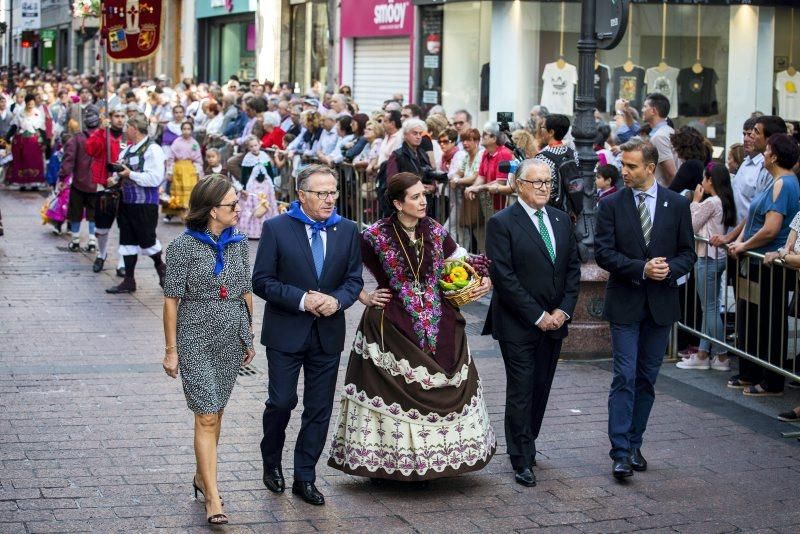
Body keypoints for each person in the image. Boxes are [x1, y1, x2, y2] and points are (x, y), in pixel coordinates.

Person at [327, 172, 496, 483]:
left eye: (424, 195)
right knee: (395, 391)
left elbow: (461, 259)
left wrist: (481, 276)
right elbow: (342, 270)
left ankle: (443, 460)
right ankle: (397, 461)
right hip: (392, 323)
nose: (423, 201)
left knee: (447, 380)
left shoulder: (434, 230)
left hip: (441, 319)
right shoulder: (374, 236)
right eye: (416, 197)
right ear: (397, 203)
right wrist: (365, 296)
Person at [252, 164, 363, 506]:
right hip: (286, 332)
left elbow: (354, 281)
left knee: (319, 408)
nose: (330, 199)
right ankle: (271, 461)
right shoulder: (276, 228)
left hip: (327, 334)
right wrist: (302, 299)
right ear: (302, 195)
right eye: (321, 193)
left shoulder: (347, 230)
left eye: (333, 192)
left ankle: (305, 475)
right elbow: (262, 281)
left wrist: (338, 300)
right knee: (281, 402)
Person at [594, 138, 696, 480]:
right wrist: (641, 268)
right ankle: (620, 451)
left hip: (661, 305)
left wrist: (670, 269)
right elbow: (603, 253)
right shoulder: (610, 204)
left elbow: (688, 253)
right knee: (624, 375)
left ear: (650, 168)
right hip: (625, 301)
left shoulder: (676, 205)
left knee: (647, 378)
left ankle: (635, 443)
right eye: (623, 164)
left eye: (631, 166)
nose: (624, 171)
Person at [162, 176, 255, 526]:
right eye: (233, 205)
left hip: (231, 333)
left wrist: (248, 333)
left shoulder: (239, 244)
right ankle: (213, 498)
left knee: (217, 410)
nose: (238, 210)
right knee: (206, 415)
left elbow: (245, 289)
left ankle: (203, 476)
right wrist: (171, 350)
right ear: (213, 210)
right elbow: (171, 300)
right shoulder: (182, 247)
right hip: (195, 334)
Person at [484, 159, 581, 487]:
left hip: (555, 321)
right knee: (522, 388)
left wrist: (562, 312)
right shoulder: (502, 223)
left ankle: (529, 439)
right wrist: (538, 316)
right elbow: (504, 277)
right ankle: (520, 456)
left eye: (547, 182)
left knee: (541, 386)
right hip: (518, 322)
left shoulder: (560, 219)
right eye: (536, 182)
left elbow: (572, 268)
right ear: (518, 185)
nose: (543, 187)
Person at [728, 132, 800, 396]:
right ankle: (755, 372)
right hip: (760, 261)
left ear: (775, 155)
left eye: (768, 149)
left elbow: (771, 229)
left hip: (771, 264)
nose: (764, 154)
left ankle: (772, 380)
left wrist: (744, 245)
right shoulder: (775, 181)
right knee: (756, 320)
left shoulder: (785, 184)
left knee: (770, 322)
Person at [676, 163, 737, 371]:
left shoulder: (711, 202)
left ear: (711, 180)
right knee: (709, 307)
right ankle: (703, 354)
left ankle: (720, 356)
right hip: (716, 258)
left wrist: (694, 202)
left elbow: (691, 225)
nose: (701, 182)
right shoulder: (725, 201)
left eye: (704, 178)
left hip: (707, 257)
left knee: (709, 308)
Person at [106, 112, 167, 294]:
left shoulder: (152, 150)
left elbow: (155, 178)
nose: (125, 130)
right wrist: (115, 178)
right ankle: (129, 280)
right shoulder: (127, 149)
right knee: (127, 240)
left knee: (147, 240)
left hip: (145, 204)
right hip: (126, 203)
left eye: (127, 127)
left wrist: (129, 174)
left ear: (133, 128)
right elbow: (121, 171)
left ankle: (161, 268)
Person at [85, 104, 126, 275]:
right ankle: (101, 255)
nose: (120, 119)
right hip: (104, 185)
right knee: (102, 227)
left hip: (124, 187)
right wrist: (101, 131)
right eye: (117, 116)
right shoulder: (103, 134)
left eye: (123, 116)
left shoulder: (129, 137)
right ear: (110, 117)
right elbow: (91, 149)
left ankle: (122, 262)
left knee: (125, 227)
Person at [60, 105, 100, 252]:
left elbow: (68, 160)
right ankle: (92, 241)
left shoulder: (76, 139)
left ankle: (75, 240)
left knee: (75, 212)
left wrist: (63, 178)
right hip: (97, 184)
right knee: (93, 214)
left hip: (79, 182)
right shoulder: (105, 138)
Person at [163, 121, 204, 221]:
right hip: (178, 168)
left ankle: (188, 213)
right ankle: (171, 213)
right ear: (181, 130)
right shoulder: (177, 142)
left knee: (190, 191)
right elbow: (171, 157)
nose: (186, 131)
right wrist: (170, 170)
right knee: (176, 191)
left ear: (191, 130)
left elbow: (198, 158)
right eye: (184, 129)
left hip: (190, 169)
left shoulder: (194, 143)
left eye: (188, 129)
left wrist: (198, 170)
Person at [237, 144, 279, 239]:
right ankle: (253, 232)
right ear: (249, 148)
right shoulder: (247, 158)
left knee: (267, 206)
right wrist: (244, 187)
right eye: (251, 146)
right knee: (254, 206)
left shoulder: (264, 156)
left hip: (265, 185)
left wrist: (272, 184)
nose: (254, 147)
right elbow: (244, 175)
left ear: (259, 145)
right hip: (252, 186)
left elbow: (270, 171)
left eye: (255, 145)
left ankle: (267, 230)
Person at [7, 94, 47, 189]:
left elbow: (42, 129)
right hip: (22, 141)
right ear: (26, 103)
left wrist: (45, 142)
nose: (30, 106)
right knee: (22, 161)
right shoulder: (20, 113)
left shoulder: (38, 113)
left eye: (32, 104)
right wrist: (7, 137)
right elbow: (14, 126)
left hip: (34, 141)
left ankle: (35, 184)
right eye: (29, 104)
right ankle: (23, 183)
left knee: (35, 161)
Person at [641, 93, 677, 186]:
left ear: (653, 111)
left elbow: (671, 174)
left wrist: (669, 197)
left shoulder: (659, 136)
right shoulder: (667, 131)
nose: (642, 110)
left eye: (645, 107)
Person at [668, 126, 711, 194]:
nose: (675, 149)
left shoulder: (690, 165)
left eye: (676, 145)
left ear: (682, 146)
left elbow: (672, 191)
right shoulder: (700, 162)